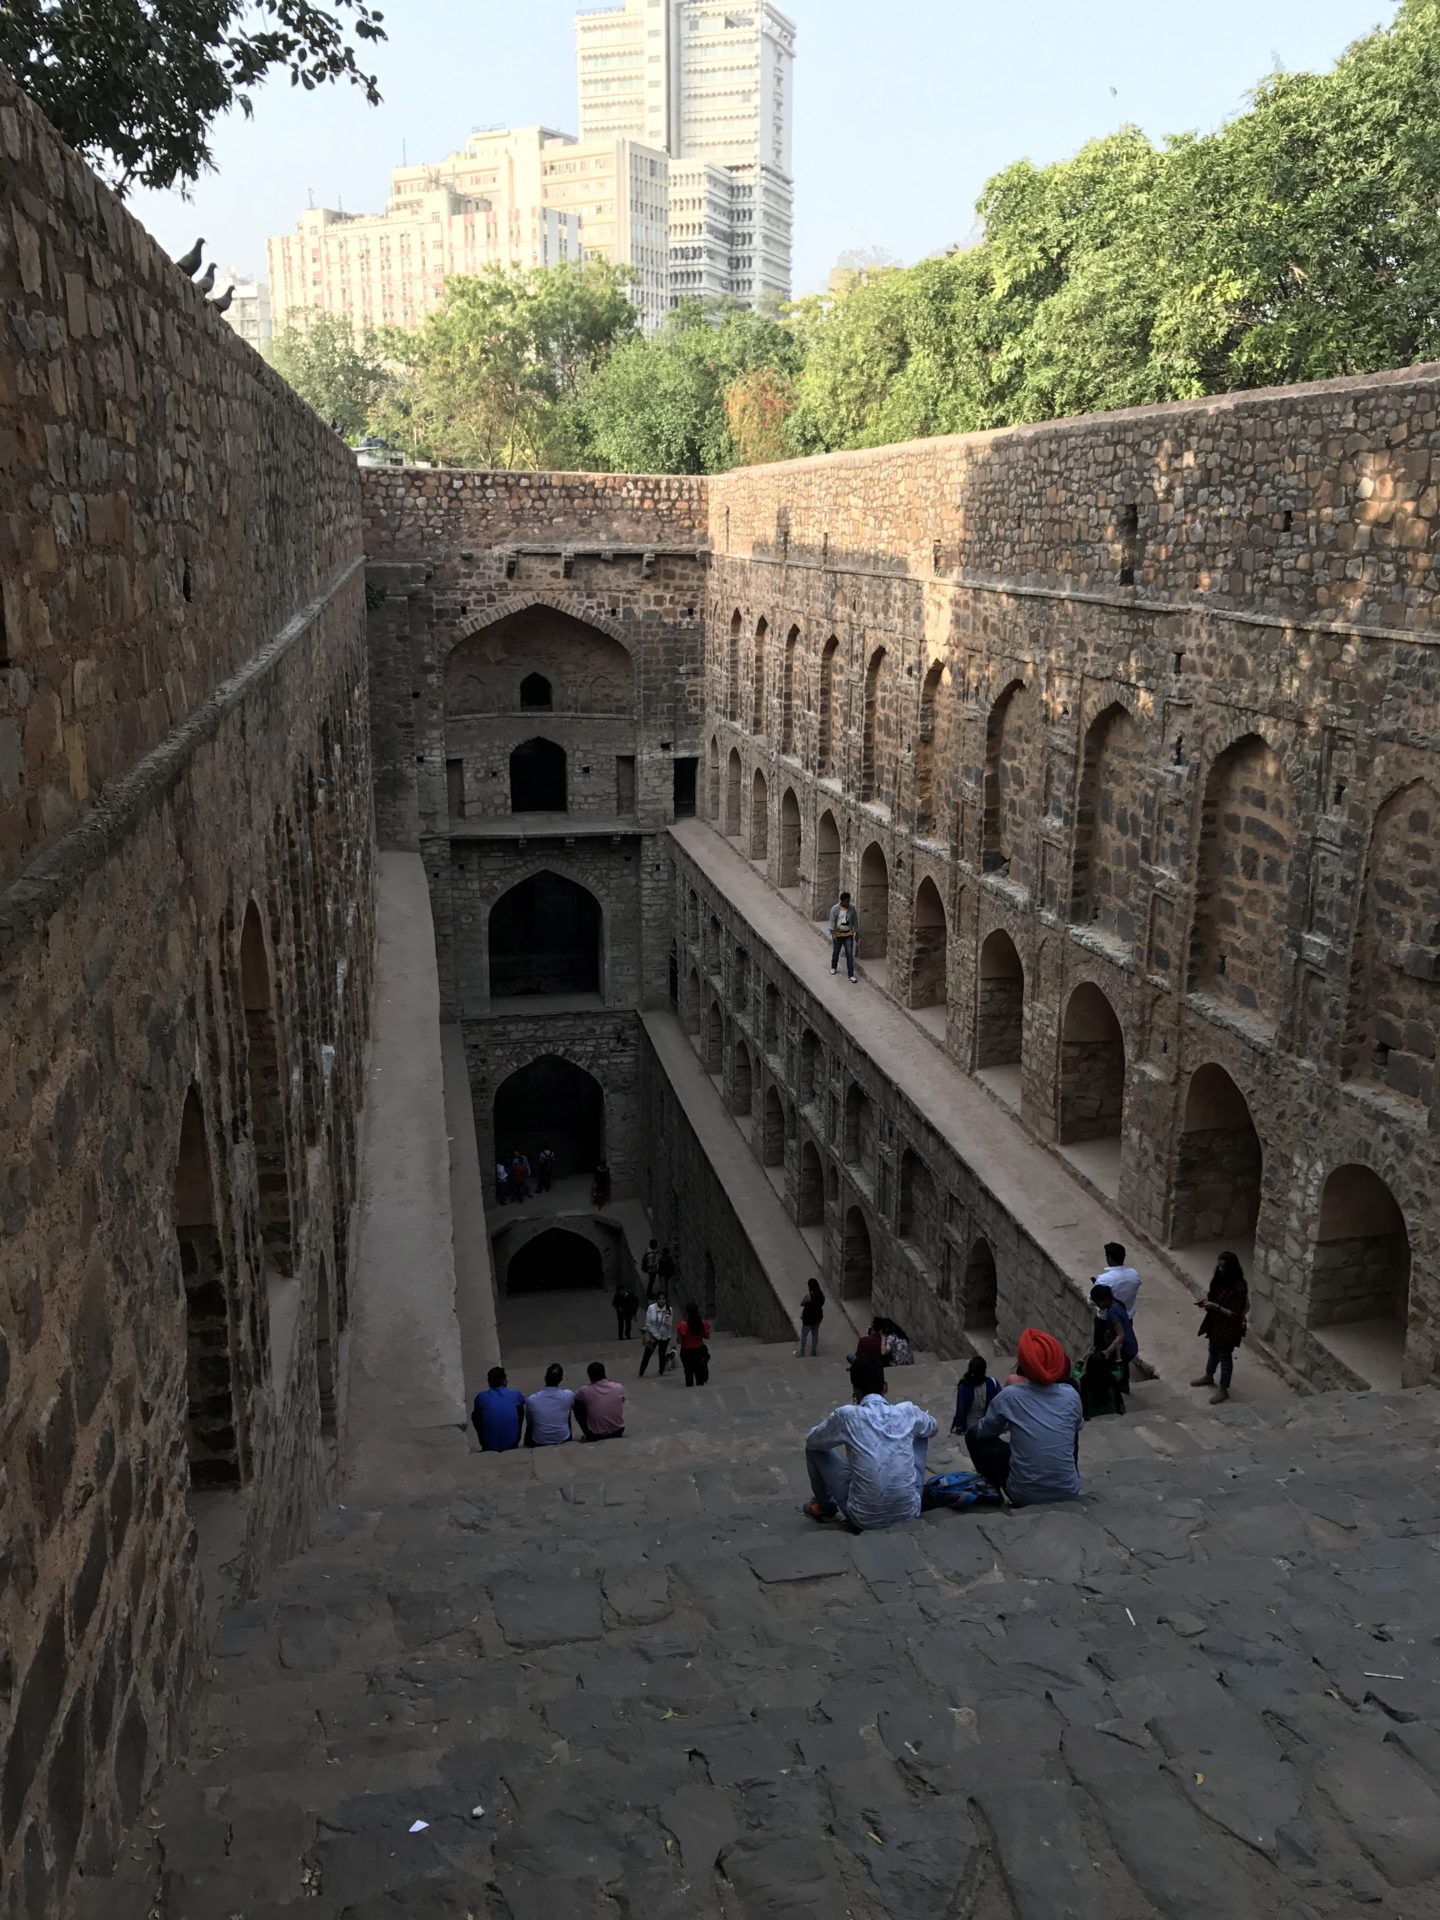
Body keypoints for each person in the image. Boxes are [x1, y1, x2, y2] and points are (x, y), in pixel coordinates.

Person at [803, 1358, 938, 1530]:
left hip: (863, 1519)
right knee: (922, 1431)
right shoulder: (907, 1411)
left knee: (813, 1450)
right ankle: (902, 1491)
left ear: (855, 1391)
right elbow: (933, 1427)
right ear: (885, 1387)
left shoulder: (847, 1416)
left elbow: (813, 1441)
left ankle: (825, 1507)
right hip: (909, 1513)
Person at [965, 1328, 1084, 1505]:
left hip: (1024, 1494)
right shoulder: (1071, 1395)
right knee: (1071, 1429)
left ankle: (992, 1490)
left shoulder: (1010, 1396)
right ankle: (1064, 1476)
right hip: (1068, 1491)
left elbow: (985, 1432)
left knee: (973, 1434)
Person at [1194, 1249, 1249, 1404]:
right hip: (1216, 1322)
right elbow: (1214, 1296)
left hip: (1228, 1326)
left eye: (1224, 1267)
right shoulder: (1219, 1279)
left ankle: (1224, 1388)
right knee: (1213, 1350)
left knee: (1224, 1357)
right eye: (1219, 1266)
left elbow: (1236, 1315)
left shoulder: (1239, 1288)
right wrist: (1206, 1302)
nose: (1220, 1270)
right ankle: (1209, 1375)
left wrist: (1216, 1307)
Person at [1091, 1282, 1138, 1392]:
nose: (1098, 1306)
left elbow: (1121, 1335)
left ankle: (1114, 1392)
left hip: (1125, 1347)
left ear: (1105, 1299)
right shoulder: (1118, 1303)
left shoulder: (1112, 1313)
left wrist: (1107, 1351)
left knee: (1111, 1370)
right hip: (1131, 1345)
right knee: (1123, 1365)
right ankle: (1124, 1387)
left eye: (1099, 1303)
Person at [471, 1365, 526, 1453]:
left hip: (489, 1445)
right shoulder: (515, 1394)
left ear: (489, 1382)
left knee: (476, 1414)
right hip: (512, 1443)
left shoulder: (481, 1397)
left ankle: (486, 1441)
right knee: (520, 1408)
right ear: (504, 1381)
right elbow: (523, 1402)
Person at [523, 1363, 574, 1446]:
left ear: (545, 1378)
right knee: (567, 1408)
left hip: (540, 1440)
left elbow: (530, 1422)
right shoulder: (568, 1395)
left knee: (533, 1417)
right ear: (561, 1379)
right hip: (563, 1437)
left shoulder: (532, 1399)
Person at [574, 1361, 626, 1440]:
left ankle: (586, 1433)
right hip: (619, 1431)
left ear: (589, 1376)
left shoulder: (584, 1391)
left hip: (597, 1435)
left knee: (577, 1403)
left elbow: (575, 1398)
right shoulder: (618, 1387)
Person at [951, 1355, 1000, 1435]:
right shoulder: (992, 1383)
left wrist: (958, 1426)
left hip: (971, 1427)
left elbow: (960, 1410)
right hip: (988, 1423)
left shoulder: (964, 1388)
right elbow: (1000, 1403)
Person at [1073, 1347, 1126, 1419]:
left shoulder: (1084, 1380)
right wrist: (1118, 1354)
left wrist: (1083, 1357)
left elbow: (1075, 1372)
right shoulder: (1111, 1377)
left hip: (1091, 1416)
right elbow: (1120, 1371)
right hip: (1112, 1414)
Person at [1095, 1241, 1141, 1317]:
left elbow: (1091, 1301)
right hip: (1127, 1318)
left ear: (1109, 1258)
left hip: (1107, 1320)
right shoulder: (1134, 1274)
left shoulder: (1103, 1279)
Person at [676, 1301, 711, 1386]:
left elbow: (679, 1341)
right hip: (699, 1351)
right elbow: (707, 1336)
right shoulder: (702, 1323)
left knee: (688, 1374)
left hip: (687, 1352)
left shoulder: (683, 1325)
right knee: (699, 1374)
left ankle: (689, 1391)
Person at [828, 891, 860, 981]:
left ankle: (851, 974)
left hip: (848, 935)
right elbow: (832, 922)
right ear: (841, 901)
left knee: (849, 954)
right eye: (846, 901)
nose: (847, 903)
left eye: (848, 901)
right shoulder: (835, 909)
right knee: (836, 952)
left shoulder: (852, 909)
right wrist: (833, 934)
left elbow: (855, 921)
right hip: (838, 935)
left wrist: (856, 932)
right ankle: (833, 967)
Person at [639, 1295, 673, 1377]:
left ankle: (661, 1371)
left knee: (662, 1353)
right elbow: (648, 1324)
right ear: (657, 1300)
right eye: (660, 1299)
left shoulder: (669, 1309)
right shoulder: (651, 1308)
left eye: (663, 1299)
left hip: (664, 1335)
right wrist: (657, 1336)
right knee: (647, 1353)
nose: (662, 1301)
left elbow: (669, 1325)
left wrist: (667, 1318)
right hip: (652, 1335)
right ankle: (641, 1372)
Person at [798, 1278, 825, 1358]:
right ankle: (813, 1351)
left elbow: (802, 1303)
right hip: (817, 1318)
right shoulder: (821, 1294)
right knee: (815, 1334)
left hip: (808, 1319)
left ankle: (802, 1352)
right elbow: (823, 1302)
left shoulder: (808, 1296)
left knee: (804, 1335)